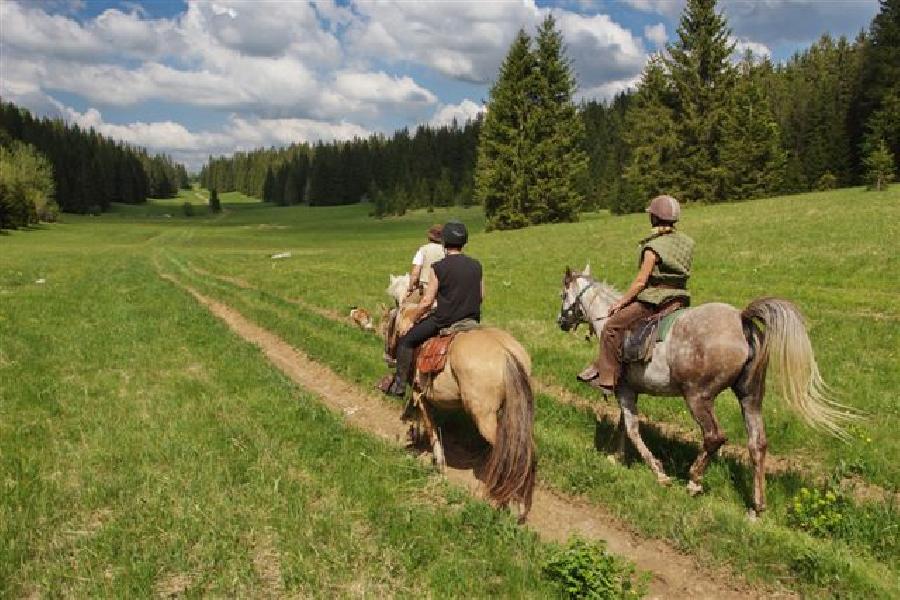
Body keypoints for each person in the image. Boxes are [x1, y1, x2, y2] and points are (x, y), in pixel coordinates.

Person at [591, 194, 694, 394]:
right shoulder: (687, 242)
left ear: (654, 218)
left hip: (655, 299)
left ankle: (608, 380)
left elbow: (640, 282)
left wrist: (621, 302)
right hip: (679, 298)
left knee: (611, 328)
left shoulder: (652, 247)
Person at [385, 220, 483, 397]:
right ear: (464, 242)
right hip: (472, 319)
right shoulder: (476, 265)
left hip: (444, 320)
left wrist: (412, 320)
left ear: (444, 242)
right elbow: (481, 295)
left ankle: (399, 387)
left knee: (407, 340)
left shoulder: (439, 267)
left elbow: (426, 302)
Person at [405, 224, 446, 300]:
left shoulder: (423, 250)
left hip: (426, 290)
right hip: (444, 291)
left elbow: (415, 274)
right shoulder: (447, 251)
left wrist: (410, 289)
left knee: (405, 308)